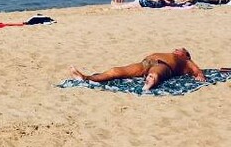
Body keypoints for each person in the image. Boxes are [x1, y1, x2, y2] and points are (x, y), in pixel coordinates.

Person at [70, 48, 205, 93]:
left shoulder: (186, 61)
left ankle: (149, 83)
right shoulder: (171, 54)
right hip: (144, 63)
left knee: (156, 73)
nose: (177, 50)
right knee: (116, 71)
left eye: (182, 50)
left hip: (164, 65)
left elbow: (197, 72)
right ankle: (87, 78)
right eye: (176, 48)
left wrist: (200, 76)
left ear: (186, 55)